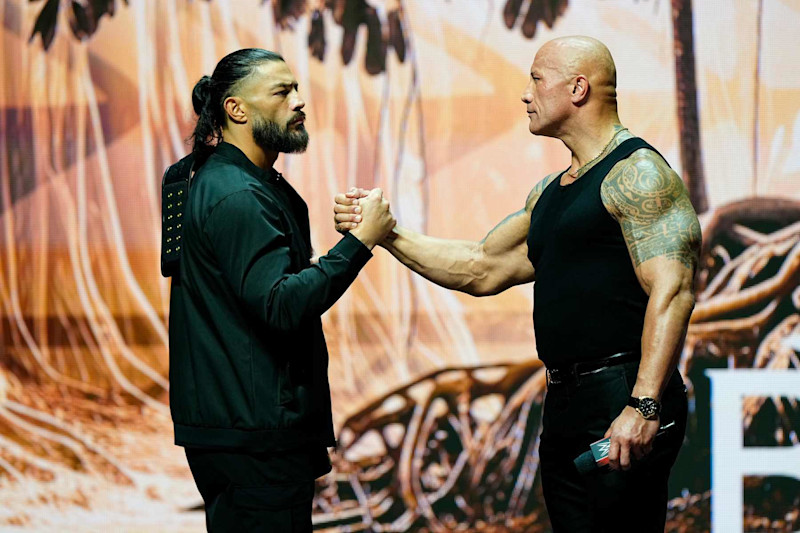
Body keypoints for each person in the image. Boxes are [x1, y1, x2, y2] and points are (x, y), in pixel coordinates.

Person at [334, 36, 700, 532]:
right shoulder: (551, 193)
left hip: (622, 393)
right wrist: (385, 233)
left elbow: (673, 290)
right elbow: (480, 267)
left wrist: (643, 403)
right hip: (566, 401)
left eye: (535, 79)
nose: (526, 95)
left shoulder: (637, 174)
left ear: (577, 88)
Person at [167, 48, 395, 532]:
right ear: (236, 110)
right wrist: (358, 243)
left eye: (296, 89)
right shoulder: (239, 195)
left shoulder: (230, 182)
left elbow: (256, 290)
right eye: (281, 91)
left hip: (239, 430)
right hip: (255, 439)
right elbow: (279, 304)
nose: (299, 102)